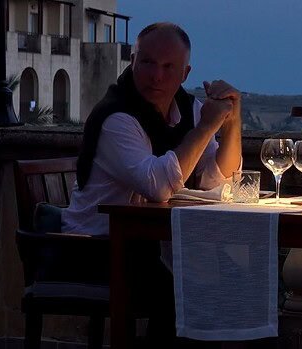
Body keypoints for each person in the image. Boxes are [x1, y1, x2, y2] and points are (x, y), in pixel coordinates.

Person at [61, 22, 242, 346]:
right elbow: (157, 186)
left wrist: (232, 121)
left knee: (234, 276)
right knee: (185, 288)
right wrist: (205, 128)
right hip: (95, 247)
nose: (156, 76)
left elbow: (217, 178)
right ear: (132, 61)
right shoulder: (117, 117)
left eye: (168, 66)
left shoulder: (188, 108)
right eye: (147, 63)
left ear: (185, 73)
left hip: (149, 244)